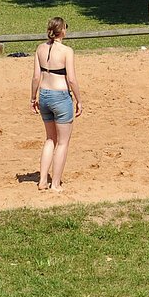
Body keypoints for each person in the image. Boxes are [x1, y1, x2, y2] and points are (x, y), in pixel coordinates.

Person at [30, 16, 83, 192]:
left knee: (50, 139)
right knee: (62, 142)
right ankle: (55, 184)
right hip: (60, 97)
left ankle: (42, 180)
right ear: (63, 31)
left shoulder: (40, 49)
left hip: (44, 95)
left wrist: (33, 98)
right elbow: (72, 79)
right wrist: (79, 100)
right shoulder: (67, 51)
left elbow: (36, 77)